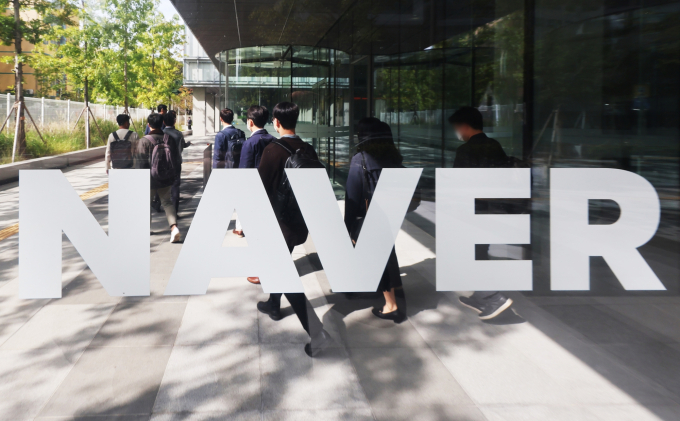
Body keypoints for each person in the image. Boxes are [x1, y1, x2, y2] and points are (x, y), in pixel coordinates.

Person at [255, 101, 332, 357]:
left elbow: (260, 189)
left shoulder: (272, 151)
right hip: (298, 222)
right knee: (280, 266)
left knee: (284, 274)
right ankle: (274, 304)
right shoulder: (308, 149)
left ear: (276, 122)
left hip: (279, 223)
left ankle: (318, 334)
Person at [450, 106, 513, 320]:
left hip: (474, 211)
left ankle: (494, 297)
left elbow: (460, 186)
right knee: (479, 253)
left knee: (469, 255)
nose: (457, 132)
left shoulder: (465, 151)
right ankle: (480, 297)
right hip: (495, 209)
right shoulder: (494, 145)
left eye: (457, 127)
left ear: (464, 126)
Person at [344, 118, 408, 323]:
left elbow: (352, 196)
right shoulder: (394, 157)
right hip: (390, 211)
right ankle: (396, 289)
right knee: (388, 251)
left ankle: (392, 306)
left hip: (370, 214)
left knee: (378, 257)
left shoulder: (360, 159)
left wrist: (348, 225)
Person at [240, 105, 275, 284]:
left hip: (255, 193)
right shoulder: (273, 139)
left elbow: (244, 172)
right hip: (272, 192)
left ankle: (262, 270)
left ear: (250, 122)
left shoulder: (250, 143)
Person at [137, 113, 182, 243]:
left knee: (146, 203)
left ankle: (146, 229)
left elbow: (141, 162)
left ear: (148, 125)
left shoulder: (144, 141)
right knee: (167, 202)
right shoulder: (168, 138)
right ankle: (174, 228)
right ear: (162, 123)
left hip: (150, 178)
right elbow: (174, 158)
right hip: (166, 176)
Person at [163, 111, 192, 213]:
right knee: (175, 186)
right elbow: (183, 145)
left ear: (163, 122)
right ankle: (174, 211)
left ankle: (158, 205)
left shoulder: (161, 133)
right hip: (176, 162)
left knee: (162, 185)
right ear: (174, 121)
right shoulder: (178, 134)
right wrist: (188, 144)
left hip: (163, 164)